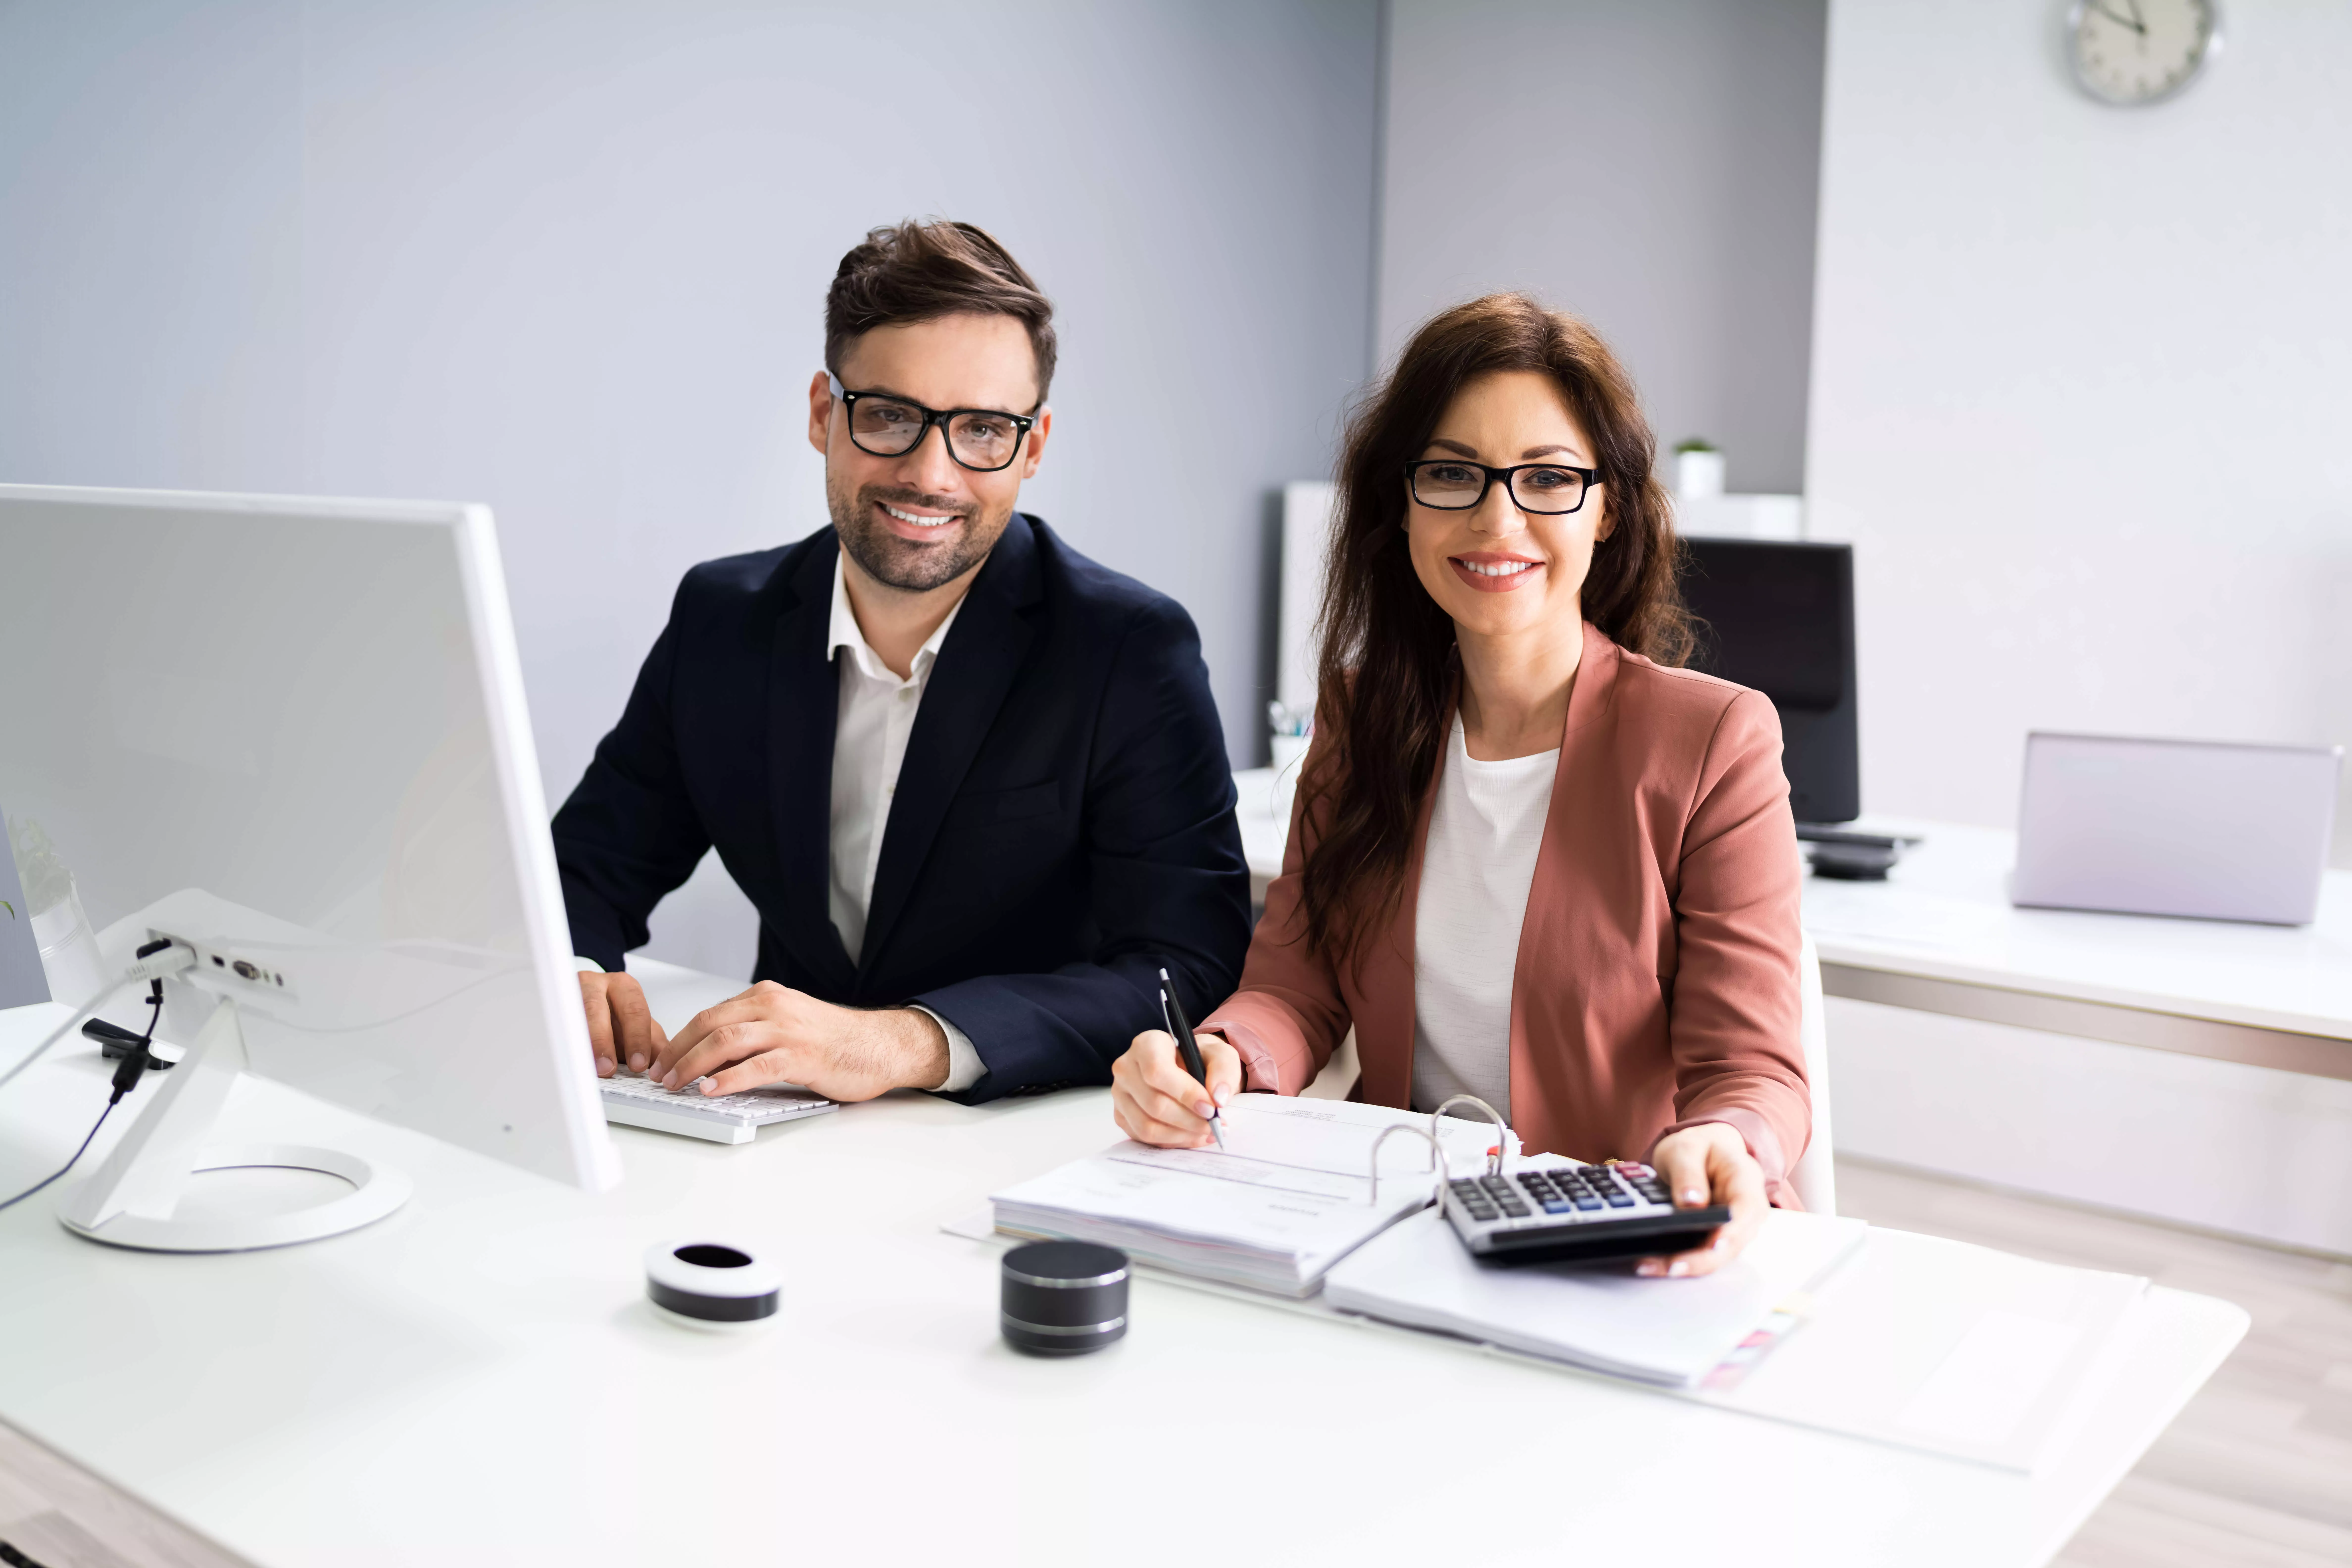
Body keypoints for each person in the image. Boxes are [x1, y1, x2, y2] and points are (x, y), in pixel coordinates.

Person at [1109, 293, 1807, 1278]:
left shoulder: (1713, 740)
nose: (1497, 517)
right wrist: (1219, 1056)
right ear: (1401, 502)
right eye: (1452, 474)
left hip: (1615, 1240)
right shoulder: (1364, 716)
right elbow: (1296, 983)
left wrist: (1727, 1141)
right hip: (1402, 1230)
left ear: (1608, 507)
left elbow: (1753, 1069)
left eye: (1548, 479)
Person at [553, 219, 1251, 1105]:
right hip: (771, 1134)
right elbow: (586, 863)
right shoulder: (722, 619)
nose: (932, 473)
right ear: (823, 414)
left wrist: (904, 1044)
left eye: (984, 430)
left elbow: (1184, 965)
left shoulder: (1128, 648)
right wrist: (569, 968)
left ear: (1031, 447)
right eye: (889, 416)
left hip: (1019, 1140)